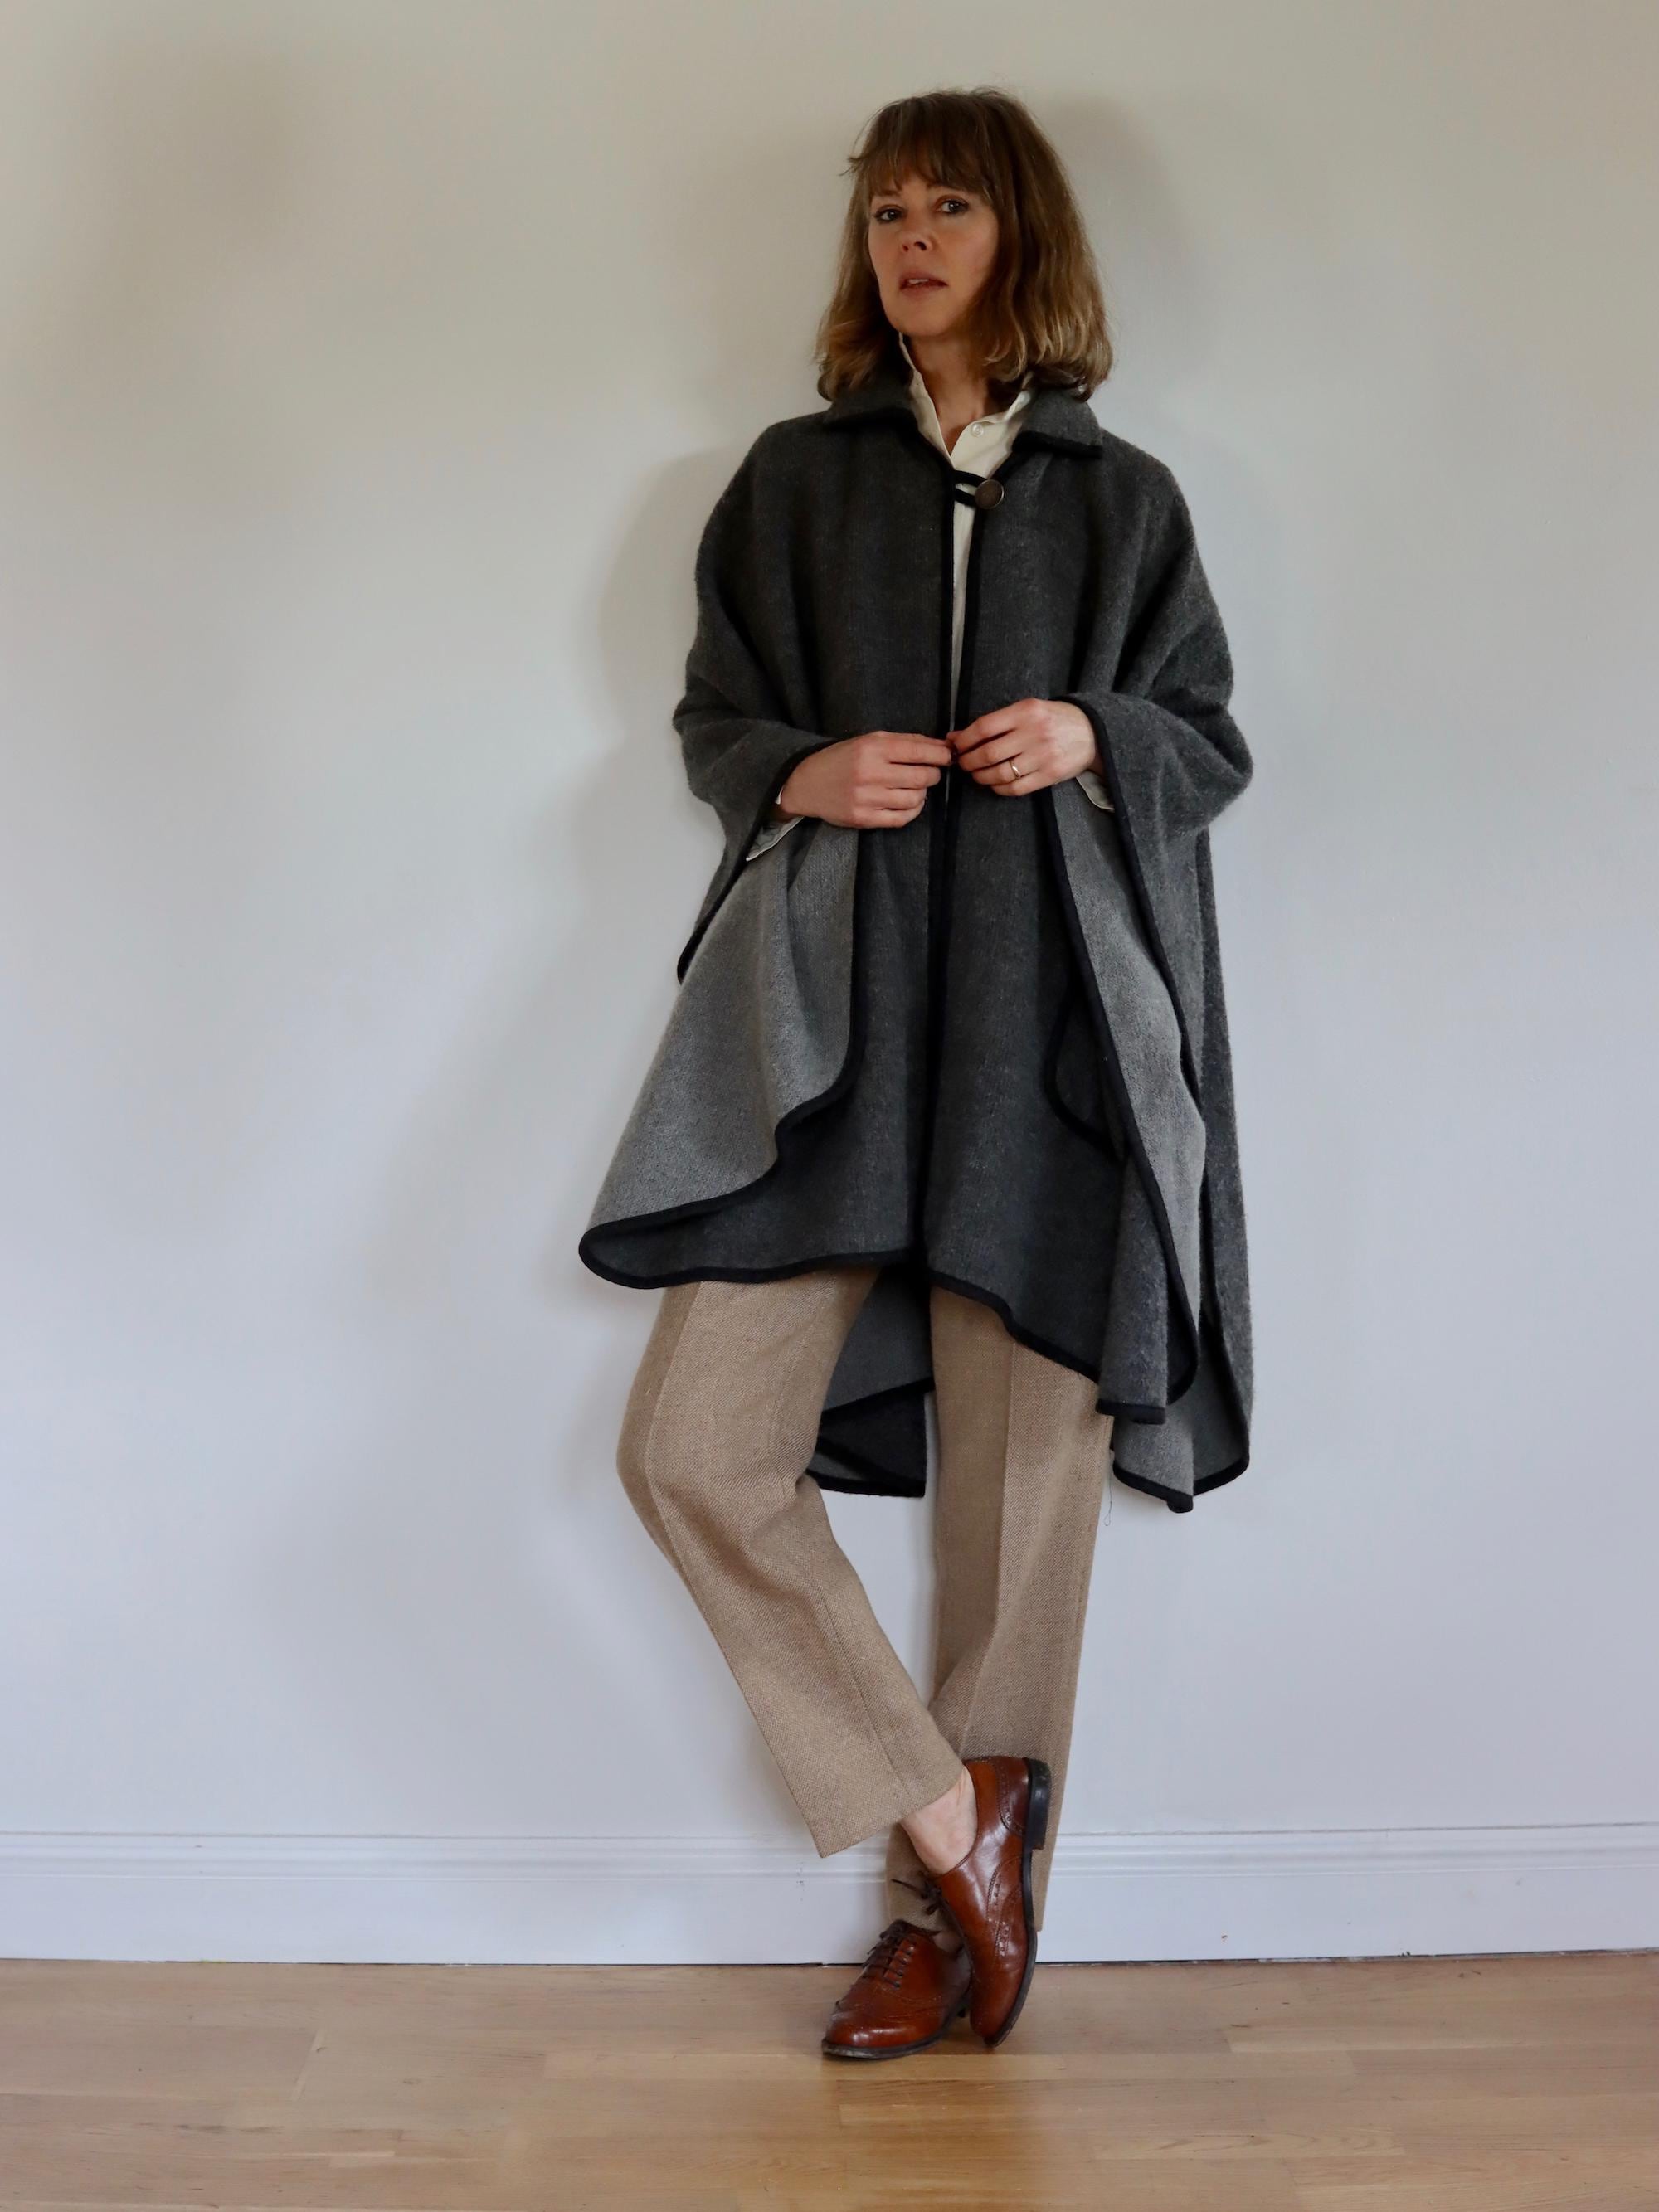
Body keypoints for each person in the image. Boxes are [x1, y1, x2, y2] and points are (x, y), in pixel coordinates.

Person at [579, 85, 1255, 2059]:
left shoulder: (1124, 500)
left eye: (948, 205)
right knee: (691, 1448)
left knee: (1018, 1510)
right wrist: (801, 770)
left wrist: (1097, 734)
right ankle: (960, 1822)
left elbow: (1211, 739)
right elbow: (716, 716)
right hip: (833, 1036)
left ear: (1017, 232)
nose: (910, 240)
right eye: (886, 210)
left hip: (1044, 1036)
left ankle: (924, 1931)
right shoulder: (793, 480)